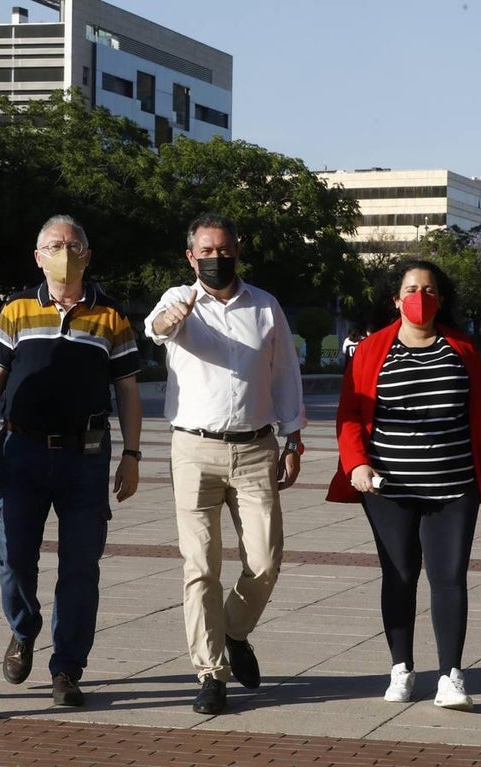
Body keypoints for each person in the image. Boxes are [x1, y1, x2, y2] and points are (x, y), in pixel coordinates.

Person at [0, 214, 143, 707]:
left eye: (72, 244)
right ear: (37, 256)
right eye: (53, 244)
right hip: (21, 451)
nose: (63, 251)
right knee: (14, 558)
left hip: (85, 457)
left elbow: (128, 392)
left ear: (87, 255)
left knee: (81, 567)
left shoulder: (112, 316)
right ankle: (23, 629)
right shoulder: (16, 310)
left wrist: (131, 455)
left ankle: (67, 667)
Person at [326, 259, 481, 712]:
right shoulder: (371, 350)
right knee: (400, 575)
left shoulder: (461, 349)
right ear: (395, 298)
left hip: (454, 485)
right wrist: (356, 465)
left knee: (449, 578)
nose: (419, 296)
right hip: (389, 488)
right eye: (411, 288)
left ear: (440, 299)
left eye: (428, 289)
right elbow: (348, 414)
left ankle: (450, 676)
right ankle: (401, 668)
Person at [144, 213, 305, 716]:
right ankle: (210, 673)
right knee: (201, 567)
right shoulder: (177, 298)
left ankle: (234, 631)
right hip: (194, 449)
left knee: (266, 560)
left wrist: (293, 434)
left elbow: (284, 372)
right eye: (206, 251)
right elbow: (156, 329)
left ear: (238, 251)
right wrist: (174, 319)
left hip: (256, 448)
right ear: (191, 257)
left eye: (225, 249)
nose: (217, 258)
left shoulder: (264, 305)